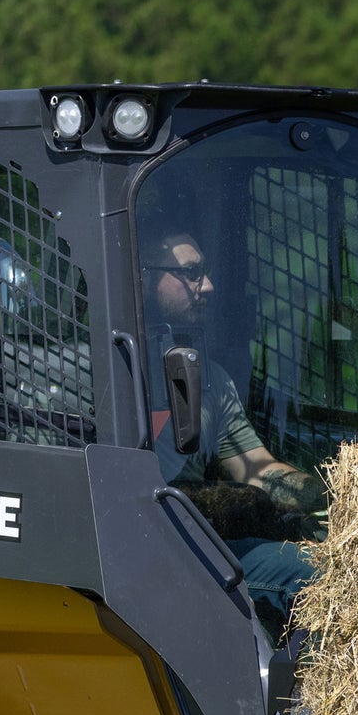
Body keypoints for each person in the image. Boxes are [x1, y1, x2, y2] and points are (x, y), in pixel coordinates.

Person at [141, 230, 323, 637]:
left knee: (321, 568)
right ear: (144, 276)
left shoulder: (211, 380)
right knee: (308, 575)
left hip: (192, 545)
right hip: (138, 549)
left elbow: (257, 469)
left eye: (205, 272)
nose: (207, 286)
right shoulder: (94, 371)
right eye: (191, 273)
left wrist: (335, 495)